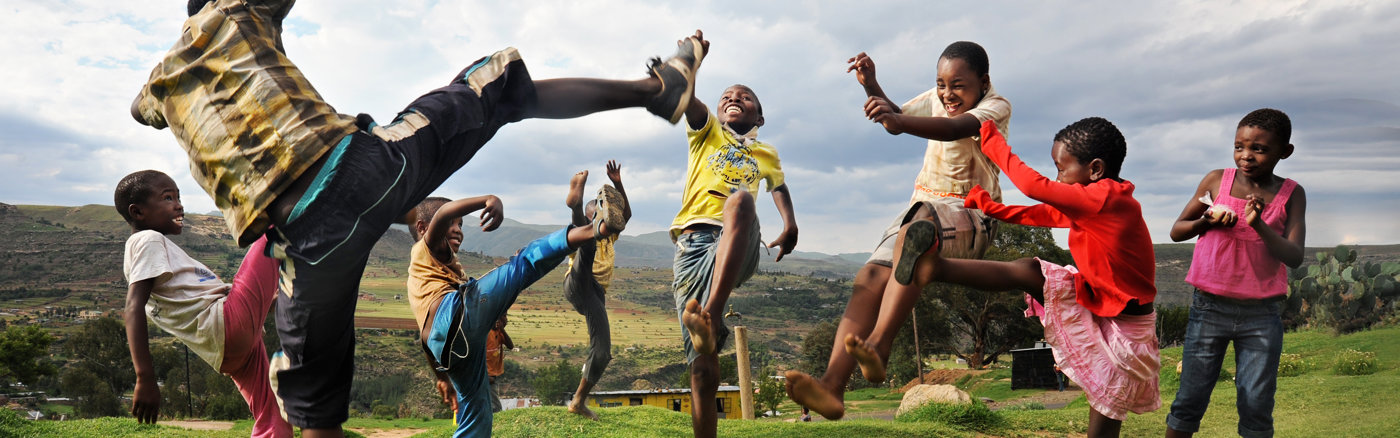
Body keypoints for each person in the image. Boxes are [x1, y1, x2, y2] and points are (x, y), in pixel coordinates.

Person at [132, 1, 703, 435]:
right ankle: (658, 90)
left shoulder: (160, 81)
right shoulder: (238, 12)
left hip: (301, 246)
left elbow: (143, 109)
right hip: (353, 170)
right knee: (496, 87)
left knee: (315, 416)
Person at [852, 118, 1160, 437]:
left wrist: (992, 139)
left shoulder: (1105, 198)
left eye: (1061, 169)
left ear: (1095, 168)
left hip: (1126, 330)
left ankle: (936, 267)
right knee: (1029, 271)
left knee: (1104, 420)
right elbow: (1043, 214)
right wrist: (992, 208)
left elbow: (1034, 187)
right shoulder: (1096, 200)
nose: (1057, 178)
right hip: (1096, 300)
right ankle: (934, 267)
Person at [786, 41, 1011, 420]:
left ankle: (879, 346)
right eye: (941, 84)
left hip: (972, 212)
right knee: (869, 274)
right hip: (919, 209)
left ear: (983, 82)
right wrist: (870, 86)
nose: (947, 93)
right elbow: (895, 116)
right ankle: (831, 387)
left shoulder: (996, 106)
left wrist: (901, 123)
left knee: (917, 232)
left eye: (958, 85)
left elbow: (953, 128)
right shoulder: (936, 98)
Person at [405, 189, 627, 437]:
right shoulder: (425, 249)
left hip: (449, 350)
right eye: (451, 224)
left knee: (477, 420)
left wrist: (442, 378)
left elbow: (427, 339)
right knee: (525, 261)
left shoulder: (431, 278)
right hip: (454, 318)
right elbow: (445, 212)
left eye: (460, 224)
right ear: (424, 227)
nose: (458, 229)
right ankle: (595, 229)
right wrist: (489, 200)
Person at [666, 34, 799, 438]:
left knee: (741, 201)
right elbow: (684, 97)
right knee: (703, 370)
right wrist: (692, 59)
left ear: (759, 118)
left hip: (738, 243)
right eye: (727, 95)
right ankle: (707, 331)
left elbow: (777, 186)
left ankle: (712, 316)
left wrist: (789, 223)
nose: (735, 97)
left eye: (746, 97)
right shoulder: (706, 132)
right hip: (692, 249)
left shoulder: (766, 152)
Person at [116, 170, 292, 438]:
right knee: (272, 231)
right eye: (167, 197)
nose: (179, 205)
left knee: (272, 417)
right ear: (138, 212)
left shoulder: (157, 247)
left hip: (225, 353)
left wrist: (263, 304)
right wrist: (145, 377)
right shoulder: (146, 239)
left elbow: (187, 300)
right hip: (228, 324)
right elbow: (132, 307)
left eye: (178, 196)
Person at [1164, 109, 1306, 438]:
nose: (1247, 156)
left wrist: (1258, 225)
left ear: (1285, 152)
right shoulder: (1217, 180)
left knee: (1256, 404)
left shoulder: (1291, 194)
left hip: (1261, 315)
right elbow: (1177, 231)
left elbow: (1295, 256)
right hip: (1209, 307)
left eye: (1259, 149)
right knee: (1190, 398)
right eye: (1239, 146)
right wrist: (1207, 221)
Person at [562, 161, 632, 420]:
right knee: (586, 241)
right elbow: (582, 233)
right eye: (602, 213)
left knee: (602, 352)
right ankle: (575, 204)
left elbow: (626, 217)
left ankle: (578, 401)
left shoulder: (611, 235)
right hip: (578, 282)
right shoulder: (580, 231)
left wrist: (618, 182)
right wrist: (579, 212)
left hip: (595, 294)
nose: (610, 217)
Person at [485, 314, 514, 413]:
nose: (506, 320)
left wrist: (502, 329)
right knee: (496, 408)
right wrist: (485, 375)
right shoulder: (486, 333)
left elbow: (510, 345)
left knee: (491, 405)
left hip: (492, 376)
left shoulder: (499, 333)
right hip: (485, 376)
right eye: (504, 317)